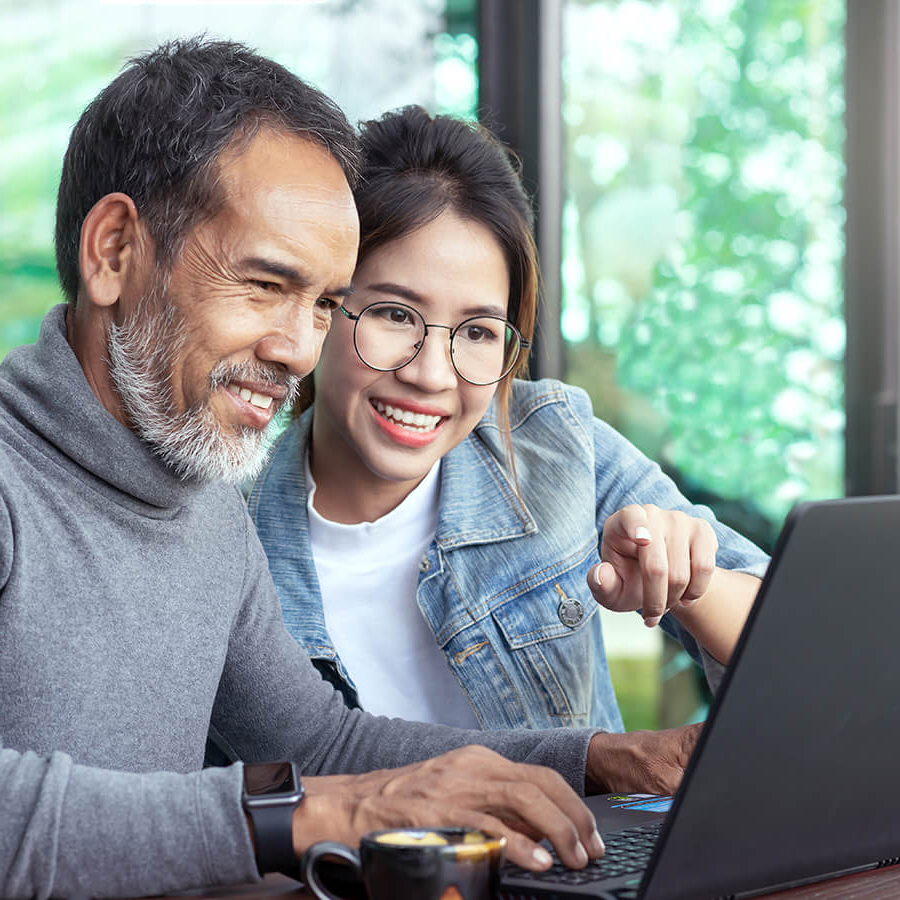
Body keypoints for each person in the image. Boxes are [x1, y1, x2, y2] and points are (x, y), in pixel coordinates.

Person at [0, 39, 703, 900]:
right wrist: (318, 815)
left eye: (326, 303)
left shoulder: (201, 504)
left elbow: (324, 746)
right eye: (264, 285)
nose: (299, 350)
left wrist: (601, 758)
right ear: (113, 251)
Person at [247, 105, 770, 737]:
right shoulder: (231, 535)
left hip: (579, 840)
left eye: (477, 332)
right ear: (323, 306)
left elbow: (802, 648)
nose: (433, 374)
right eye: (393, 315)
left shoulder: (553, 443)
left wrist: (690, 583)